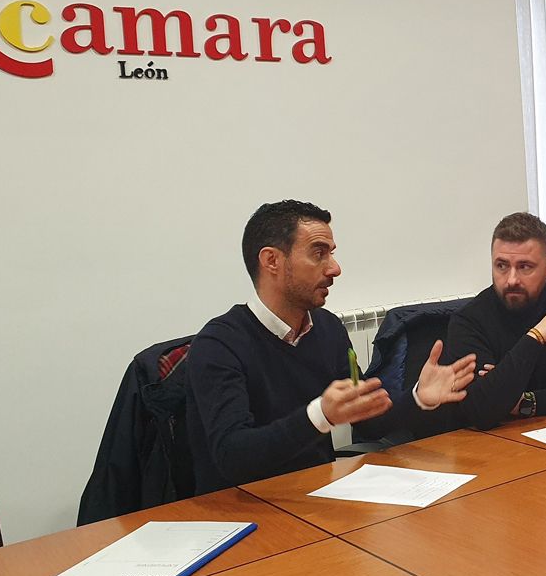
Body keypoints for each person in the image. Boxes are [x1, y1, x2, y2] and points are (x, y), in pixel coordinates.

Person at [185, 200, 476, 493]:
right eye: (318, 253)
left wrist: (418, 398)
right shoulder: (218, 345)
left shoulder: (326, 328)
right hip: (245, 509)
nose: (335, 268)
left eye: (331, 254)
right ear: (272, 260)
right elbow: (233, 457)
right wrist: (319, 416)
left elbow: (368, 423)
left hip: (319, 494)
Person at [430, 212, 546, 432]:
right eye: (501, 266)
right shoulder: (469, 320)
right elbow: (481, 409)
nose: (512, 279)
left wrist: (525, 402)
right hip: (496, 447)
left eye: (525, 267)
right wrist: (536, 337)